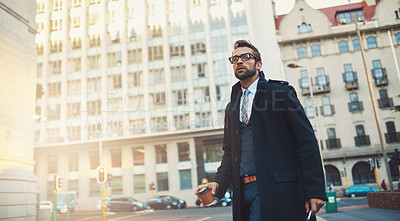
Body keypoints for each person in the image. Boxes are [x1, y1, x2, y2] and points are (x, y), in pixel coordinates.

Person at [195, 40, 327, 221]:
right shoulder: (231, 107)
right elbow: (229, 153)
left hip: (277, 189)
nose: (239, 61)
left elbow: (306, 141)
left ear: (259, 64)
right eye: (234, 59)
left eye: (245, 57)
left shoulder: (280, 93)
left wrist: (315, 189)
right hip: (242, 193)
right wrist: (218, 183)